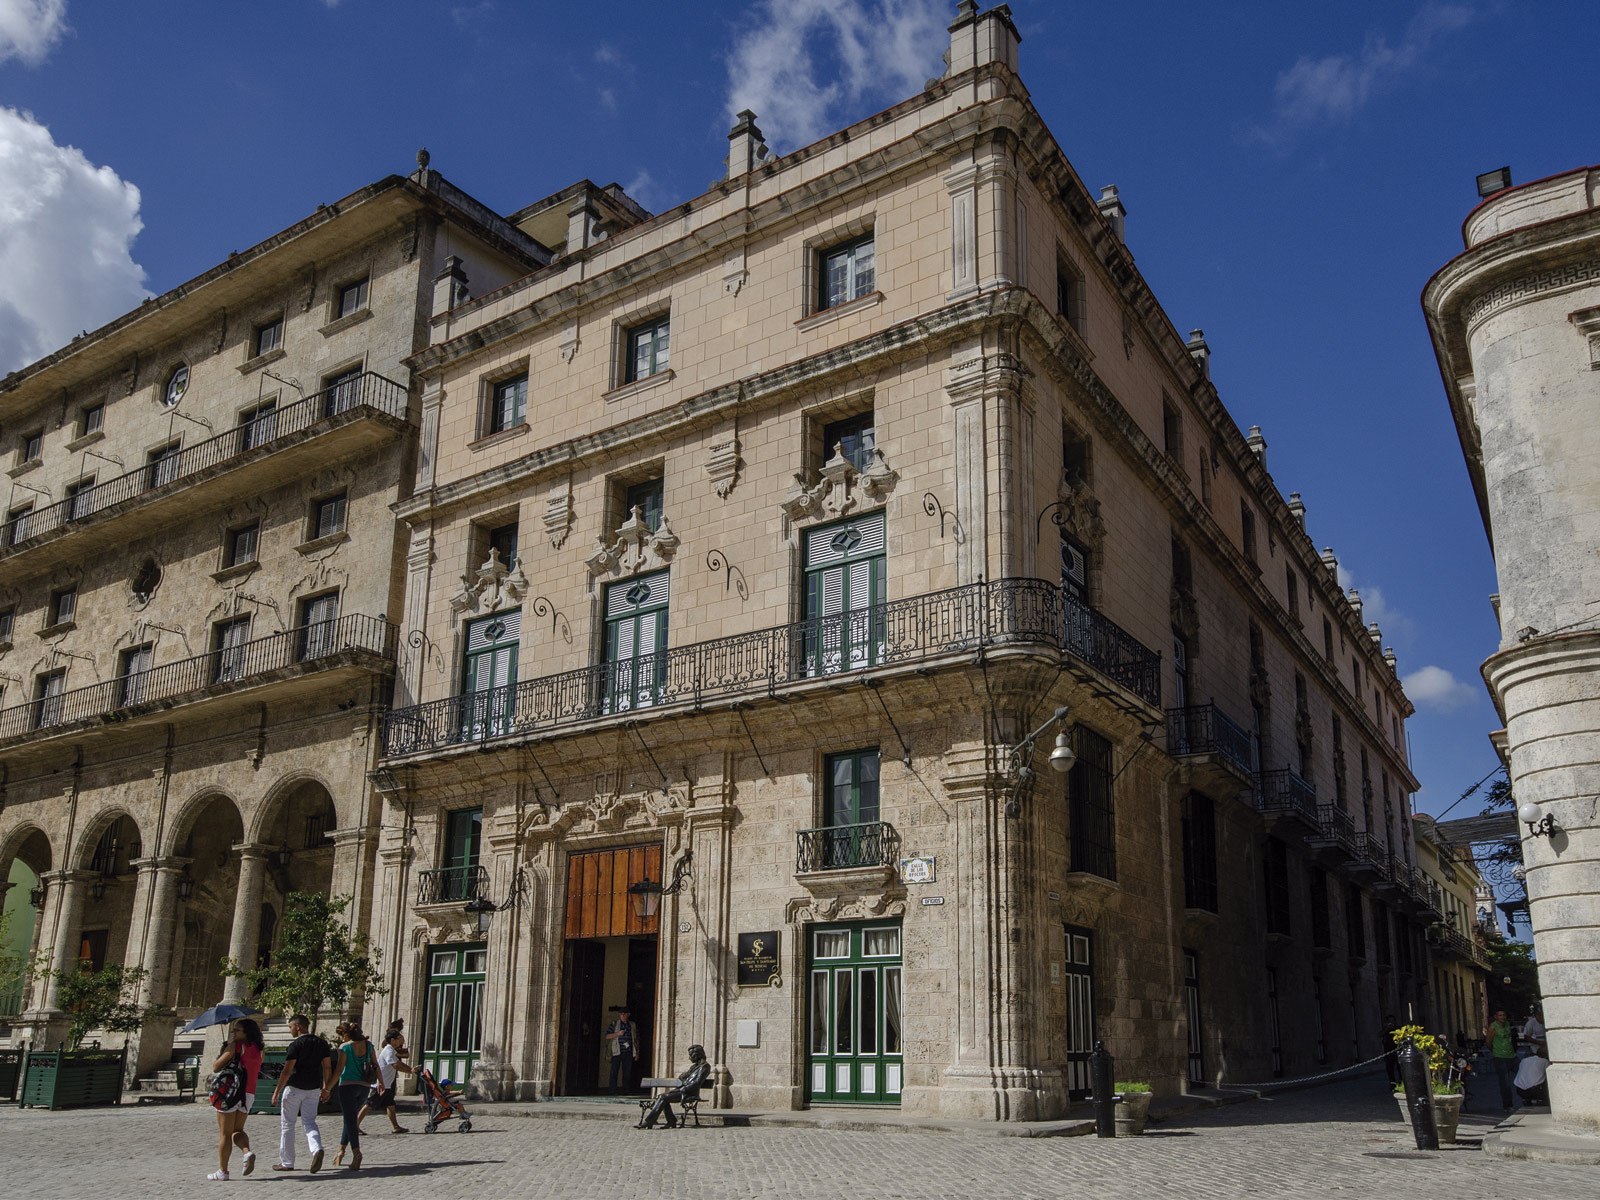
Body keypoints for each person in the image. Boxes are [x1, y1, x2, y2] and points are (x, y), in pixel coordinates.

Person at [271, 1013, 331, 1174]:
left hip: (295, 1088)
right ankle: (316, 1148)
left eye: (290, 1027)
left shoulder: (295, 1045)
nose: (290, 1030)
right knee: (310, 1122)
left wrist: (277, 1091)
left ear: (298, 1026)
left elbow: (287, 1071)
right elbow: (327, 1067)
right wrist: (326, 1087)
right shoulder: (322, 1043)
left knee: (287, 1125)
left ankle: (287, 1162)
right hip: (313, 1088)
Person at [209, 1018, 264, 1181]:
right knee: (237, 1130)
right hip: (249, 1093)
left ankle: (223, 1171)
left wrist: (225, 1050)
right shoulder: (260, 1049)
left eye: (237, 1030)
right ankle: (247, 1152)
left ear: (246, 1032)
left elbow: (215, 1067)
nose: (234, 1033)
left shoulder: (236, 1046)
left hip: (231, 1092)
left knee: (225, 1133)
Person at [331, 1022, 377, 1170]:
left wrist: (327, 1088)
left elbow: (339, 1070)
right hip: (364, 1086)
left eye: (342, 1036)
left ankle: (356, 1152)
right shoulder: (369, 1045)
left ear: (346, 1034)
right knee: (349, 1119)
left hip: (347, 1085)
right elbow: (375, 1065)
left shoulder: (345, 1047)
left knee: (350, 1120)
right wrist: (381, 1082)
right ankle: (341, 1151)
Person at [636, 1044, 710, 1130]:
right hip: (682, 1090)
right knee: (662, 1097)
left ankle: (649, 1122)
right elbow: (685, 1077)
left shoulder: (705, 1066)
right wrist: (683, 1076)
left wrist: (683, 1089)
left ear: (697, 1054)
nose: (689, 1057)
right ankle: (671, 1121)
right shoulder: (694, 1067)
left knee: (663, 1097)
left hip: (689, 1093)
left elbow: (697, 1083)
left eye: (691, 1055)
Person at [358, 1027, 414, 1134]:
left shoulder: (392, 1050)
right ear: (393, 1040)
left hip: (387, 1083)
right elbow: (396, 1065)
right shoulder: (388, 1050)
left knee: (390, 1104)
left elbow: (402, 1058)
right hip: (381, 1083)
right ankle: (355, 1125)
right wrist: (410, 1070)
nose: (400, 1040)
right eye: (398, 1038)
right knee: (369, 1104)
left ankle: (396, 1126)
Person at [1486, 1009, 1519, 1111]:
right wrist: (1495, 1051)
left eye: (1504, 1015)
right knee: (1505, 1083)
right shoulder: (1493, 1027)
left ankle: (1529, 1097)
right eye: (1500, 1015)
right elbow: (1488, 1042)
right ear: (1496, 1017)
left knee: (1523, 1073)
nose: (1502, 1017)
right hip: (1500, 1057)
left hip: (1512, 1056)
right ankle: (1508, 1105)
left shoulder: (1507, 1024)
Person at [606, 1006, 640, 1095]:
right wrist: (617, 1034)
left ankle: (626, 1090)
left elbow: (636, 1039)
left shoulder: (632, 1025)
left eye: (624, 1014)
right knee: (614, 1072)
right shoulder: (614, 1024)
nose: (622, 1015)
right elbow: (607, 1036)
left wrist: (637, 1052)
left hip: (628, 1051)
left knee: (627, 1072)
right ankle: (612, 1091)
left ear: (628, 1015)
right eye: (621, 1014)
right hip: (617, 1051)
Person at [1381, 1015, 1400, 1087]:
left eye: (1392, 1021)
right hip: (1388, 1051)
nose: (1391, 1023)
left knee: (1400, 1068)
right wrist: (1387, 1029)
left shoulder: (1398, 1029)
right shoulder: (1386, 1030)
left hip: (1397, 1050)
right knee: (1390, 1068)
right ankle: (1392, 1083)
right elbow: (1379, 1034)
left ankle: (1401, 1082)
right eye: (1389, 1021)